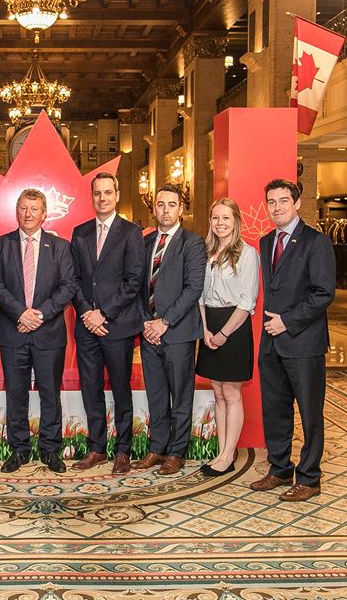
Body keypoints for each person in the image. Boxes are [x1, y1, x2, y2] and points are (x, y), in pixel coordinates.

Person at [250, 178, 336, 502]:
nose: (277, 207)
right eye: (271, 202)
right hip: (271, 342)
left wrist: (287, 322)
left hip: (304, 342)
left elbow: (324, 293)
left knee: (310, 412)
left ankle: (310, 478)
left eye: (283, 201)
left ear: (297, 203)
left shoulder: (316, 242)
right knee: (276, 408)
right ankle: (280, 468)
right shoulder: (265, 241)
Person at [0, 188, 76, 474]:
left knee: (50, 393)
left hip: (48, 332)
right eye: (23, 208)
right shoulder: (1, 245)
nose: (28, 214)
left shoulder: (60, 246)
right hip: (13, 330)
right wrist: (21, 313)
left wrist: (40, 314)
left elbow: (68, 287)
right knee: (16, 393)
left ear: (44, 214)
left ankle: (51, 450)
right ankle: (19, 449)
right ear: (17, 211)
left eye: (34, 209)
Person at [68, 173, 144, 475]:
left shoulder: (131, 232)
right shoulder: (80, 232)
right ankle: (97, 448)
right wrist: (88, 313)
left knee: (121, 389)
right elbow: (72, 279)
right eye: (97, 193)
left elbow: (134, 280)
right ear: (92, 196)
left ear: (117, 194)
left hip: (118, 326)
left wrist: (105, 313)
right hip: (87, 326)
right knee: (91, 388)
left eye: (108, 192)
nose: (102, 198)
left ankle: (123, 449)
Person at [133, 184, 206, 476]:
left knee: (181, 394)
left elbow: (193, 288)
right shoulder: (145, 242)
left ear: (181, 209)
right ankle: (157, 448)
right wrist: (146, 322)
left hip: (178, 333)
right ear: (154, 209)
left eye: (171, 204)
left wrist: (164, 322)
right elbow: (137, 288)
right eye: (160, 204)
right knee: (157, 394)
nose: (165, 210)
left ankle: (177, 452)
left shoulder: (193, 243)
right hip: (149, 332)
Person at [195, 198, 259, 477]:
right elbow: (199, 297)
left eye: (226, 218)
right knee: (218, 393)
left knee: (231, 393)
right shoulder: (205, 252)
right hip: (209, 325)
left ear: (236, 221)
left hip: (234, 327)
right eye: (215, 218)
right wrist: (206, 330)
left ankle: (228, 455)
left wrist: (222, 334)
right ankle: (222, 452)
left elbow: (247, 302)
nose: (220, 223)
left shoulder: (247, 253)